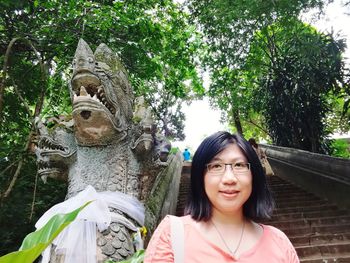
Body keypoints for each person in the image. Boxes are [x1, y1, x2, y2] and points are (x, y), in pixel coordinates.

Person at [144, 131, 299, 262]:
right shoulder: (172, 234)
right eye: (216, 166)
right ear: (200, 176)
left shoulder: (279, 242)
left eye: (239, 165)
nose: (229, 178)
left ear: (254, 175)